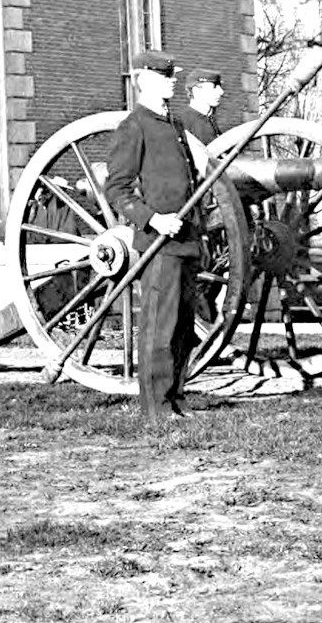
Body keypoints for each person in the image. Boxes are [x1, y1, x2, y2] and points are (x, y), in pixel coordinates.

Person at [105, 50, 205, 424]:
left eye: (172, 76)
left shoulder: (175, 125)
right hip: (160, 243)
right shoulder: (135, 126)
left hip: (187, 239)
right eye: (164, 76)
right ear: (144, 80)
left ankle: (176, 397)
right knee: (159, 328)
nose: (172, 81)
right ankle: (156, 407)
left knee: (182, 326)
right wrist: (154, 220)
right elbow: (117, 188)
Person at [173, 69, 226, 150]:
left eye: (220, 86)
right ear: (196, 90)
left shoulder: (210, 118)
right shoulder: (182, 122)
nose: (221, 92)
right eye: (214, 86)